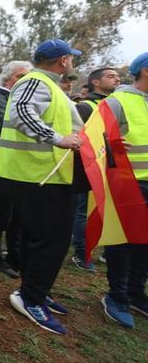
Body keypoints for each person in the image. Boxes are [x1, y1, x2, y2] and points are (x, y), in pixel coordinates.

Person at [0, 39, 85, 335]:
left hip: (42, 176)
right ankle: (30, 297)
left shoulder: (48, 85)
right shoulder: (35, 81)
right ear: (63, 61)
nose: (72, 63)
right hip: (35, 176)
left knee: (47, 239)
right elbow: (21, 111)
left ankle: (36, 288)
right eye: (71, 58)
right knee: (52, 241)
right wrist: (58, 138)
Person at [99, 53, 148, 328]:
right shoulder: (117, 102)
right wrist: (111, 148)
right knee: (123, 242)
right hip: (129, 184)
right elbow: (93, 140)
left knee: (145, 244)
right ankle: (116, 296)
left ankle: (135, 294)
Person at [0, 60, 32, 278]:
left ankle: (14, 256)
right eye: (21, 76)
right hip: (0, 168)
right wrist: (16, 150)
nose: (25, 81)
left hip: (16, 168)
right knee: (0, 214)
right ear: (8, 78)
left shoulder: (16, 100)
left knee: (16, 216)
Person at [71, 67, 121, 271]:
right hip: (89, 169)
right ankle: (82, 254)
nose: (117, 78)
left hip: (112, 167)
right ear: (96, 82)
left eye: (117, 76)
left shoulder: (114, 105)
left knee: (110, 212)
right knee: (84, 211)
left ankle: (107, 254)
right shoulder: (85, 106)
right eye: (111, 76)